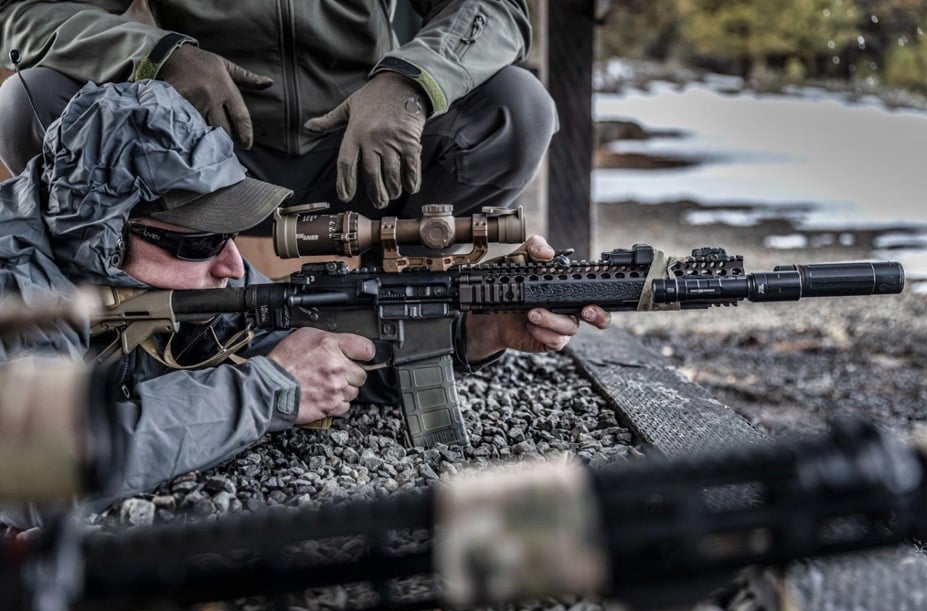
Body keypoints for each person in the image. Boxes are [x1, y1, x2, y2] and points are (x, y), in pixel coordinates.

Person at [0, 80, 609, 506]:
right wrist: (269, 389)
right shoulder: (17, 283)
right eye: (196, 245)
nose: (231, 266)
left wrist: (481, 329)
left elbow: (320, 356)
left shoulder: (169, 277)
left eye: (230, 235)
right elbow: (35, 475)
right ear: (104, 234)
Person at [0, 1, 555, 234]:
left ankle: (408, 312)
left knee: (518, 108)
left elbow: (495, 8)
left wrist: (408, 81)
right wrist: (161, 54)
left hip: (366, 151)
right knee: (31, 100)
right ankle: (150, 308)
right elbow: (23, 14)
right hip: (197, 160)